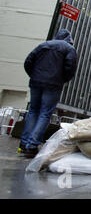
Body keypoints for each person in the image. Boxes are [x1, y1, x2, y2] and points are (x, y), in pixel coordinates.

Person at [19, 29, 78, 157]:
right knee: (45, 114)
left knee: (33, 111)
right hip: (53, 85)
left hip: (36, 82)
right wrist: (62, 79)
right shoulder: (69, 49)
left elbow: (28, 62)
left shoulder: (43, 45)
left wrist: (34, 75)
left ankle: (24, 143)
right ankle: (32, 145)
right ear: (69, 39)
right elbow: (70, 68)